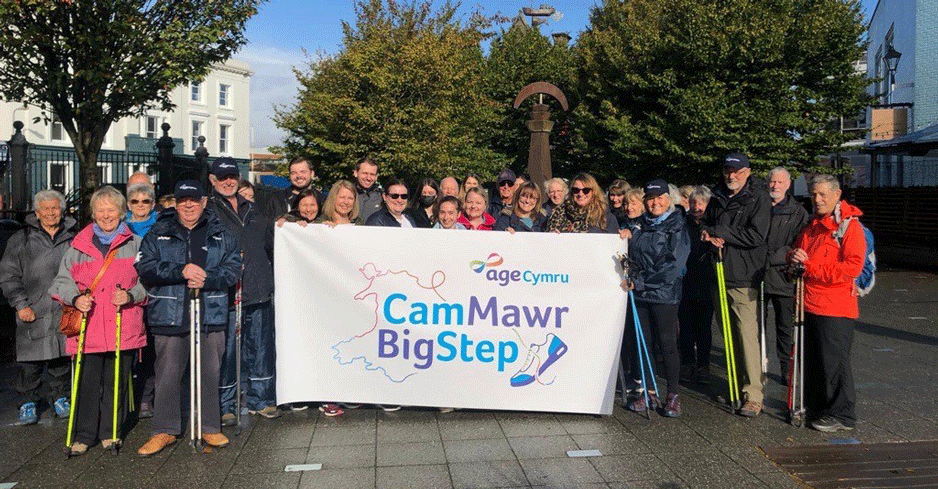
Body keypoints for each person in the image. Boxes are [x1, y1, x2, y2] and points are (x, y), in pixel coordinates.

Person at [135, 180, 241, 456]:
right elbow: (145, 267)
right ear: (176, 203)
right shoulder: (159, 231)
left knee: (209, 371)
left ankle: (209, 426)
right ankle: (164, 430)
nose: (189, 205)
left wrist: (206, 278)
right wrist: (181, 271)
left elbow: (232, 269)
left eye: (194, 199)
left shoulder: (221, 232)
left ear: (205, 201)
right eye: (183, 200)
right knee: (168, 374)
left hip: (210, 313)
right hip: (170, 314)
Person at [49, 186, 147, 454]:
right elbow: (60, 283)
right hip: (88, 328)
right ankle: (84, 434)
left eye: (111, 209)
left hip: (121, 325)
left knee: (116, 382)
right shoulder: (77, 246)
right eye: (100, 210)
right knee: (86, 383)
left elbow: (148, 282)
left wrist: (130, 295)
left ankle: (111, 431)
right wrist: (74, 298)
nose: (106, 215)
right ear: (93, 213)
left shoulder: (136, 244)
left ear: (122, 212)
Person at [207, 158, 280, 427]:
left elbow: (272, 243)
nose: (228, 181)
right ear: (212, 180)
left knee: (260, 348)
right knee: (227, 353)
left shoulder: (254, 209)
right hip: (226, 294)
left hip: (258, 288)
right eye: (222, 177)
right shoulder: (208, 210)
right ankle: (226, 404)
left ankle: (261, 399)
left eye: (232, 176)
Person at [788, 174, 864, 433]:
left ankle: (842, 414)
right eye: (813, 194)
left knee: (835, 363)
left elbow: (852, 266)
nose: (817, 199)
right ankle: (820, 408)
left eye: (822, 194)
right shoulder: (812, 225)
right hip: (809, 302)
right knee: (815, 361)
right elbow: (799, 252)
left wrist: (809, 266)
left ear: (836, 194)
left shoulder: (849, 226)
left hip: (836, 306)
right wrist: (793, 256)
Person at [700, 153, 771, 417]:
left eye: (737, 171)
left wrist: (722, 233)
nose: (732, 176)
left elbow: (756, 234)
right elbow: (706, 223)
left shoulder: (758, 198)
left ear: (748, 172)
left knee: (746, 336)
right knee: (727, 335)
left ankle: (753, 394)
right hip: (718, 270)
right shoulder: (717, 195)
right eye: (728, 170)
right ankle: (736, 385)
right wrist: (707, 233)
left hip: (744, 275)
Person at [0, 190, 77, 426]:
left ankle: (60, 398)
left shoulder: (73, 238)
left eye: (55, 208)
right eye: (46, 208)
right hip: (32, 307)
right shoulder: (20, 240)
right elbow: (9, 275)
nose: (51, 212)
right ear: (37, 212)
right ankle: (27, 402)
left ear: (62, 210)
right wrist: (20, 304)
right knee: (29, 363)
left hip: (62, 309)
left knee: (61, 360)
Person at [625, 180, 690, 417]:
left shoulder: (677, 226)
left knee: (667, 344)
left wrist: (642, 281)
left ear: (669, 199)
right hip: (640, 292)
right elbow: (631, 257)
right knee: (644, 343)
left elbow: (672, 266)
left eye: (660, 197)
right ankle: (648, 391)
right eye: (651, 198)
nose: (655, 202)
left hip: (664, 294)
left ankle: (673, 395)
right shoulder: (639, 225)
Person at [764, 167, 809, 384]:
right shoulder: (759, 207)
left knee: (785, 327)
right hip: (758, 275)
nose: (775, 186)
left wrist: (772, 257)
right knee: (756, 326)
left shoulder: (798, 212)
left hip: (783, 276)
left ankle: (786, 369)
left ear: (788, 185)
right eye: (772, 182)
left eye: (780, 182)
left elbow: (798, 244)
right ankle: (758, 366)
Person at [679, 186, 716, 384]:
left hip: (706, 279)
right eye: (693, 202)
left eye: (701, 203)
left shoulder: (711, 225)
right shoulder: (682, 223)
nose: (696, 206)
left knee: (704, 327)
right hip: (686, 280)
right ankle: (687, 362)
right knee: (686, 325)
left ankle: (703, 364)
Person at [546, 173, 619, 234]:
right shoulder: (559, 213)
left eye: (586, 190)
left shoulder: (604, 216)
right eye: (576, 190)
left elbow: (615, 244)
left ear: (593, 192)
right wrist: (552, 237)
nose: (580, 194)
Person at [354, 156, 382, 222]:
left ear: (376, 177)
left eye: (372, 174)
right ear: (356, 173)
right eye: (365, 173)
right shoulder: (346, 194)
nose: (368, 178)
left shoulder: (383, 197)